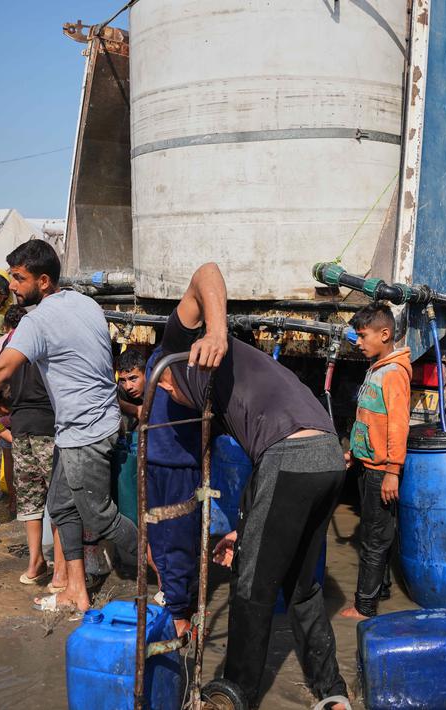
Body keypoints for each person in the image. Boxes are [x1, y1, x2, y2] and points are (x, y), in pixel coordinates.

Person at [153, 263, 347, 707]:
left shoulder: (178, 349)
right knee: (302, 588)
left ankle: (233, 695)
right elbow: (265, 483)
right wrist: (245, 531)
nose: (170, 398)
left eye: (165, 392)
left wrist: (216, 332)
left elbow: (206, 273)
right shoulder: (220, 402)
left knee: (250, 585)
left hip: (291, 454)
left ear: (162, 378)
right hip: (327, 457)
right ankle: (332, 693)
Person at [0, 240, 138, 612]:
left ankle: (163, 569)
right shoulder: (85, 302)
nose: (12, 286)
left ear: (44, 281)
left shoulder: (37, 321)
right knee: (61, 505)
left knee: (99, 516)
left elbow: (1, 371)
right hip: (86, 424)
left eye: (19, 278)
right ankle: (75, 590)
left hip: (85, 431)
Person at [0, 306, 68, 589]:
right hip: (47, 427)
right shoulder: (48, 339)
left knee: (31, 497)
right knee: (58, 498)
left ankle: (35, 563)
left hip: (21, 429)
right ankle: (60, 571)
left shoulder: (10, 343)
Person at [339, 302, 411, 621]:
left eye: (362, 335)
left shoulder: (393, 374)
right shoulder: (377, 368)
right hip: (367, 464)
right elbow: (369, 418)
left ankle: (365, 607)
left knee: (373, 538)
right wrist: (355, 451)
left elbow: (397, 426)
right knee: (375, 531)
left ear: (384, 334)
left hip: (381, 470)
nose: (358, 342)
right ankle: (381, 589)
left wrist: (393, 471)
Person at [140, 344, 205, 637]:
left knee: (178, 537)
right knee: (159, 538)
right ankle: (173, 600)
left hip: (181, 462)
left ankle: (178, 611)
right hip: (154, 459)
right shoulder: (161, 354)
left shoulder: (193, 355)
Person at [115, 347, 148, 432]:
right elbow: (110, 399)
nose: (128, 386)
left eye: (133, 378)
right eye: (123, 380)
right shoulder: (120, 390)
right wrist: (134, 409)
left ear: (146, 373)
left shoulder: (158, 390)